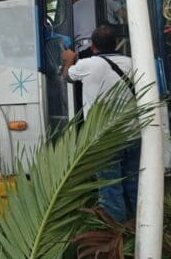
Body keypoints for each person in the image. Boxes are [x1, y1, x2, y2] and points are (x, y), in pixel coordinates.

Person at [61, 25, 139, 222]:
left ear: (93, 46)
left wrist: (69, 59)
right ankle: (139, 227)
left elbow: (67, 76)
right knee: (135, 184)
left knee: (110, 187)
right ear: (116, 43)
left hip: (104, 138)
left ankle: (116, 234)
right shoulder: (132, 63)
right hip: (133, 135)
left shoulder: (88, 65)